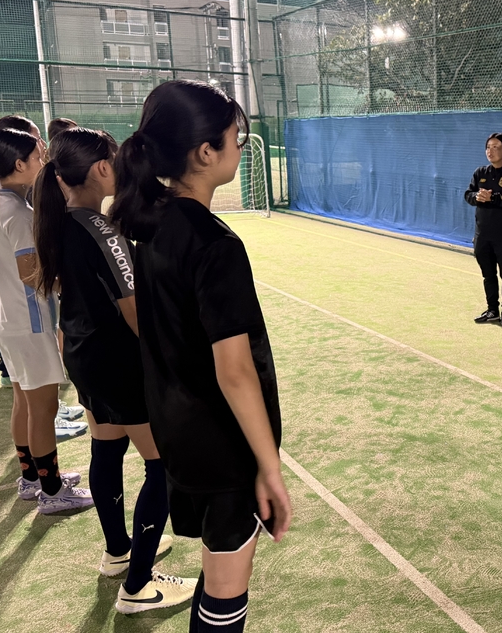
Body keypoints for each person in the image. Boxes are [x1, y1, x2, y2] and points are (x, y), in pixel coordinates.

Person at [111, 80, 291, 632]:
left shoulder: (153, 224)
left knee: (218, 575)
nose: (240, 147)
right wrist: (269, 466)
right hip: (219, 438)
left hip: (177, 427)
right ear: (205, 152)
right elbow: (234, 371)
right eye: (235, 138)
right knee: (226, 585)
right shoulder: (214, 244)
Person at [32, 126, 193, 613]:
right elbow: (134, 309)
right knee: (163, 465)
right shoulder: (101, 230)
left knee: (107, 446)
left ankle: (119, 552)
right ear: (103, 168)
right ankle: (139, 585)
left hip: (86, 357)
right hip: (118, 363)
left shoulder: (62, 221)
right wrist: (175, 360)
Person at [0, 127, 91, 512]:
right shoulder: (18, 213)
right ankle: (53, 492)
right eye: (38, 157)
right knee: (43, 408)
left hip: (8, 322)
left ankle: (33, 479)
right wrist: (71, 286)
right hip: (28, 324)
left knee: (25, 403)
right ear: (19, 164)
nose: (43, 162)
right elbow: (31, 274)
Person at [464, 132, 502, 327]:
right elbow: (468, 194)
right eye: (488, 147)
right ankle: (492, 310)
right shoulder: (480, 173)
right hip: (482, 235)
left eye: (496, 147)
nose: (490, 151)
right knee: (488, 274)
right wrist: (477, 197)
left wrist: (493, 197)